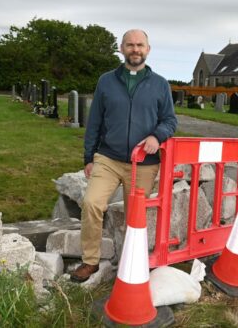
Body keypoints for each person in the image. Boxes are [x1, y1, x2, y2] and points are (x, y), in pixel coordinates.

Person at [70, 29, 177, 282]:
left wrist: (156, 136)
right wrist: (89, 157)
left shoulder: (160, 84)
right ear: (122, 48)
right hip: (108, 158)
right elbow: (95, 120)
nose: (135, 49)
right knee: (92, 203)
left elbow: (170, 120)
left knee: (135, 217)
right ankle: (90, 261)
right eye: (130, 45)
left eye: (140, 45)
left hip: (144, 163)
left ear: (148, 49)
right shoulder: (106, 81)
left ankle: (133, 263)